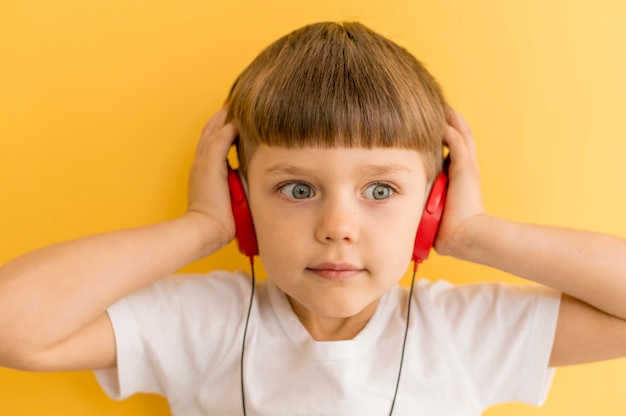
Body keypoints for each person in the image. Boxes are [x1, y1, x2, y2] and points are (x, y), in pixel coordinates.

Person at [0, 21, 625, 416]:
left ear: (431, 204)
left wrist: (473, 232)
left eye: (380, 190)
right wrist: (201, 225)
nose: (337, 226)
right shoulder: (202, 323)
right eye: (297, 188)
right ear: (242, 200)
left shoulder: (463, 334)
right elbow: (12, 326)